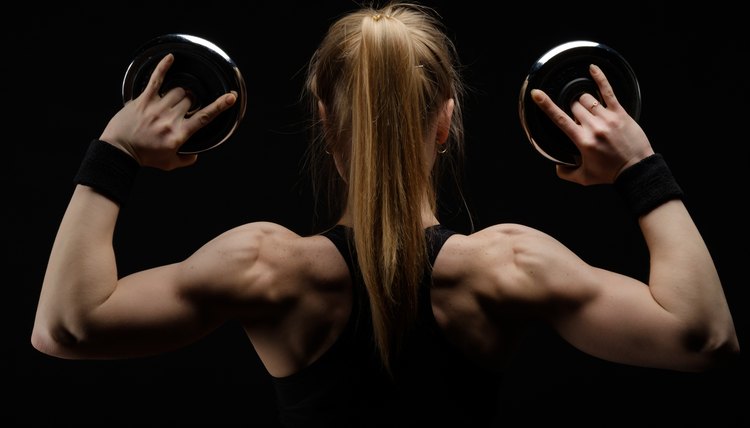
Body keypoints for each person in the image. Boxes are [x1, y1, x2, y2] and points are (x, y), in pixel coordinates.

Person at [31, 1, 739, 426]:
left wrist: (114, 153)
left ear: (325, 125)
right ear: (445, 124)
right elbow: (704, 338)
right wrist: (641, 168)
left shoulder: (262, 265)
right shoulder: (511, 264)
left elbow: (64, 327)